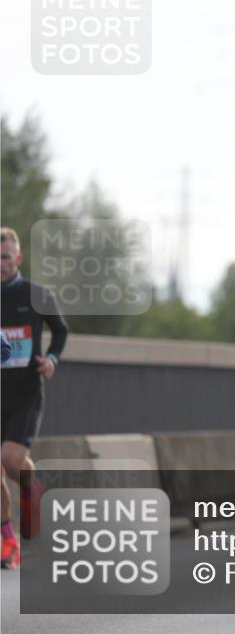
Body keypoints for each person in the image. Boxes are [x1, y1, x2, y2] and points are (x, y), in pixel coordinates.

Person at [1, 227, 69, 569]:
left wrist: (52, 359)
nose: (0, 264)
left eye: (5, 257)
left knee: (11, 461)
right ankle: (8, 540)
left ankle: (31, 487)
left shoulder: (37, 294)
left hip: (26, 391)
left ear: (19, 259)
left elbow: (60, 330)